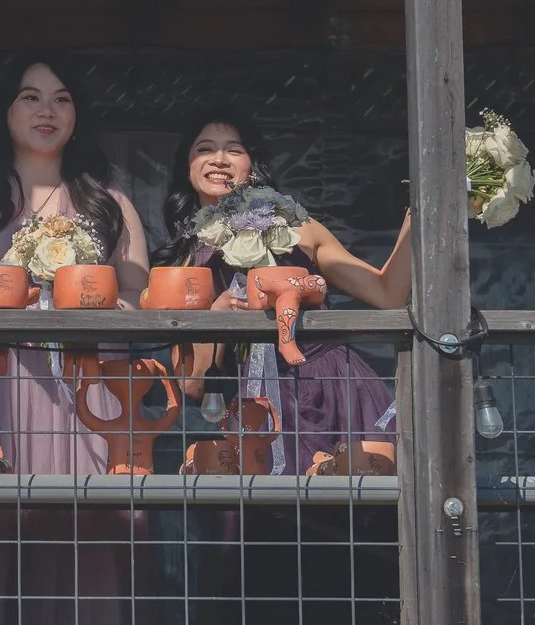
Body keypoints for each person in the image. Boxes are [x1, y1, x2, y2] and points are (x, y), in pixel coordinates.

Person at [0, 56, 152, 625]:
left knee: (90, 531)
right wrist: (18, 295)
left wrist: (78, 300)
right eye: (30, 97)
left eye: (61, 99)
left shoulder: (110, 202)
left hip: (86, 393)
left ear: (78, 114)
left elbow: (138, 299)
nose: (46, 111)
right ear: (6, 112)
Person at [156, 110, 409, 477]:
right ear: (189, 167)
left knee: (363, 517)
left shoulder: (298, 229)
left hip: (333, 388)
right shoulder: (180, 262)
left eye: (234, 150)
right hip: (257, 407)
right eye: (205, 149)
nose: (220, 159)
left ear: (252, 166)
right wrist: (217, 317)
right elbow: (192, 384)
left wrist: (422, 208)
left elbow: (387, 293)